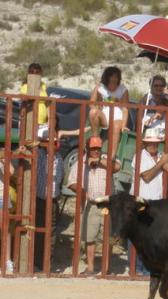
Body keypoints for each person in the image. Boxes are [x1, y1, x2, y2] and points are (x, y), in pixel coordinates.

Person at [67, 136, 121, 275]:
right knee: (89, 237)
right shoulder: (80, 163)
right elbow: (71, 182)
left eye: (98, 148)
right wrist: (82, 191)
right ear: (87, 148)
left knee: (108, 237)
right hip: (91, 204)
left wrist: (99, 162)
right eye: (93, 149)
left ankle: (106, 268)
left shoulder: (105, 159)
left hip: (107, 204)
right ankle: (90, 268)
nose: (96, 151)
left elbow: (117, 167)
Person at [128, 128, 168, 275]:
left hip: (157, 203)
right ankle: (136, 268)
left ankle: (148, 269)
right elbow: (146, 177)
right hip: (141, 201)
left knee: (153, 237)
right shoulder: (139, 156)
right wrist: (161, 164)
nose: (153, 145)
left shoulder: (161, 156)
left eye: (155, 143)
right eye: (150, 142)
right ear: (145, 143)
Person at [32, 133, 63, 272]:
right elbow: (29, 146)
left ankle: (47, 263)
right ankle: (37, 262)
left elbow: (60, 180)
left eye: (55, 143)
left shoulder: (59, 158)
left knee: (51, 232)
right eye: (49, 142)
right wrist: (38, 142)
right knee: (38, 231)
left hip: (53, 201)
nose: (53, 145)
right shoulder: (39, 155)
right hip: (39, 200)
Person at [89, 66, 129, 159]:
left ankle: (111, 156)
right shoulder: (100, 87)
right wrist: (97, 107)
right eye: (112, 76)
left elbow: (125, 108)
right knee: (93, 112)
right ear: (107, 77)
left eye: (116, 76)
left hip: (118, 115)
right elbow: (91, 104)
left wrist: (124, 125)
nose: (114, 79)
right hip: (105, 115)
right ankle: (95, 139)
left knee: (116, 126)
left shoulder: (123, 89)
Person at [19, 63, 49, 139]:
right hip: (30, 120)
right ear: (29, 73)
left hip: (42, 122)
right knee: (30, 141)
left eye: (37, 72)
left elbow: (47, 102)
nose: (35, 75)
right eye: (32, 72)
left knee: (39, 141)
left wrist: (50, 118)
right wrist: (28, 97)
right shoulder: (26, 86)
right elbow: (22, 98)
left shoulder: (43, 85)